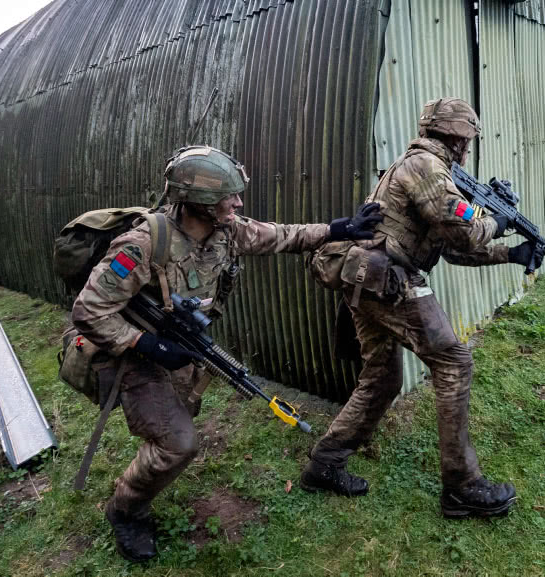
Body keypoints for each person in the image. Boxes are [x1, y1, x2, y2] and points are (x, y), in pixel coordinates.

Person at [71, 145, 381, 562]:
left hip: (177, 346)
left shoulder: (226, 231)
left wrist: (339, 229)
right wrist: (148, 345)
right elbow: (89, 311)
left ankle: (152, 462)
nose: (238, 203)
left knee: (181, 416)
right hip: (130, 354)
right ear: (200, 202)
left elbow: (281, 236)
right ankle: (125, 510)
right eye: (228, 197)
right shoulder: (142, 245)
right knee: (179, 443)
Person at [301, 98, 536, 518]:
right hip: (386, 280)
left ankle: (325, 463)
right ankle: (462, 486)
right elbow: (466, 235)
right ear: (458, 138)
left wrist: (510, 253)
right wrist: (499, 222)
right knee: (454, 362)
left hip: (368, 278)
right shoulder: (427, 167)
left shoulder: (428, 168)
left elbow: (451, 247)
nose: (468, 148)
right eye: (467, 140)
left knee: (382, 378)